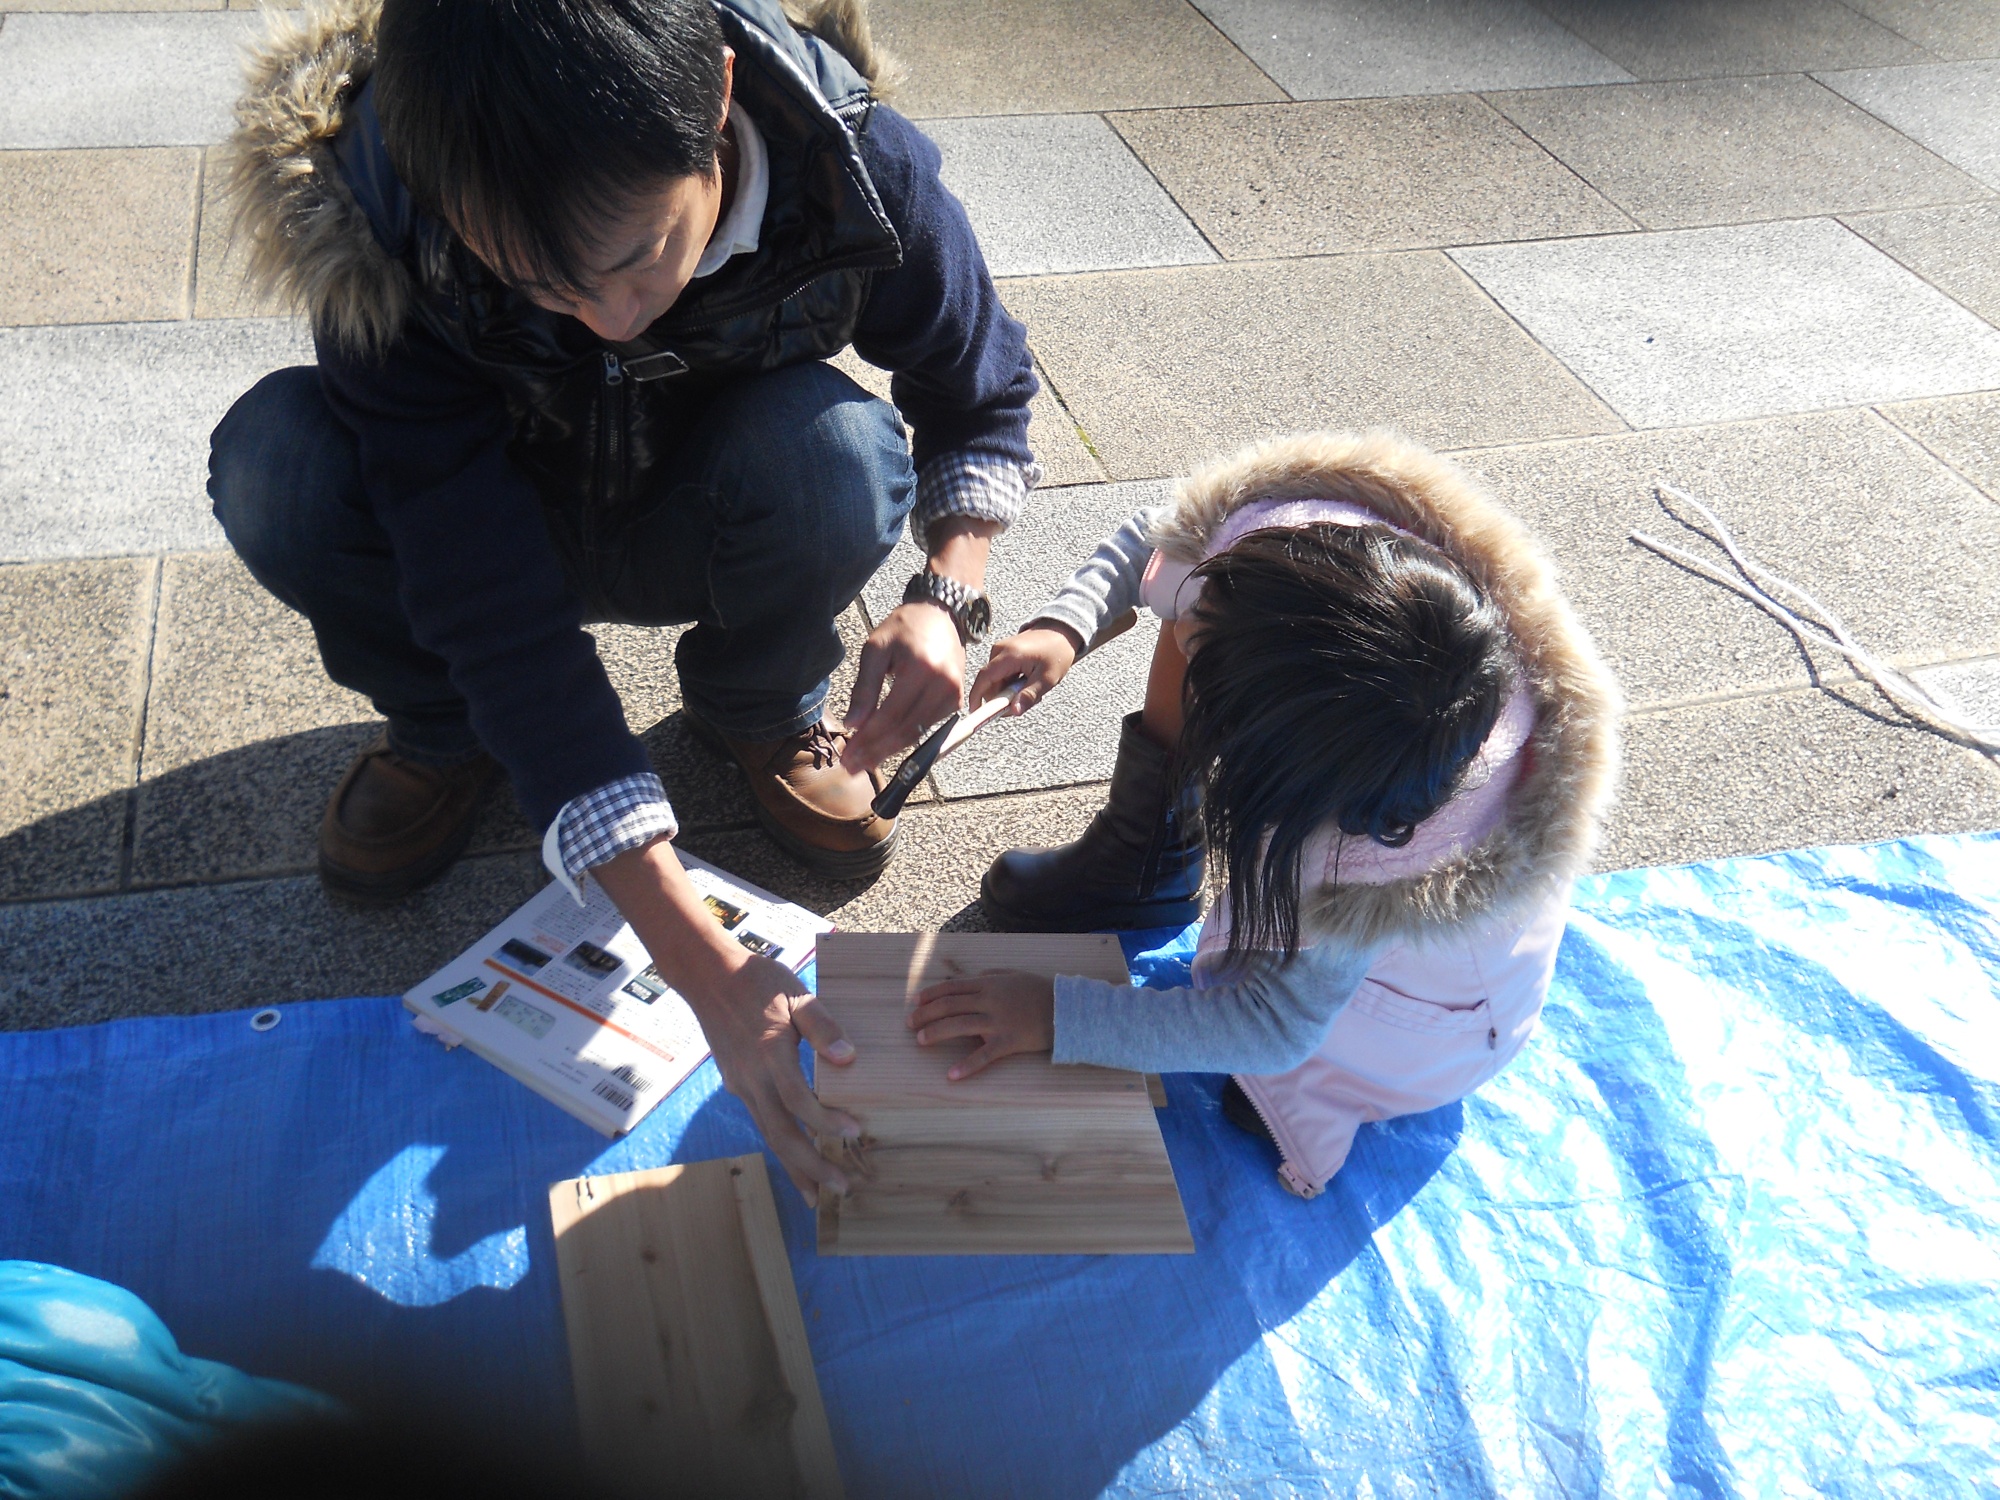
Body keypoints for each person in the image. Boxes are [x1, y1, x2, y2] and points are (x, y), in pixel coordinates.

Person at [207, 0, 1039, 1199]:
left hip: (702, 509)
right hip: (504, 517)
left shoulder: (854, 165)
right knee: (277, 464)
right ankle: (447, 733)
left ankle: (755, 706)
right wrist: (694, 958)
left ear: (715, 105)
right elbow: (477, 579)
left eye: (642, 251)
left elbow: (982, 388)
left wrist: (947, 593)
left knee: (839, 455)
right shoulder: (387, 227)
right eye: (531, 279)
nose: (604, 314)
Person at [906, 431, 1621, 1196]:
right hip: (1358, 881)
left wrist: (1059, 1017)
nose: (1180, 640)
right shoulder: (1305, 553)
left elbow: (1273, 1026)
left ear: (1303, 791)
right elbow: (1163, 544)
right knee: (1191, 612)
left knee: (1257, 1079)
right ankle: (1139, 866)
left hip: (1429, 1025)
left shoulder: (1372, 865)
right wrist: (1066, 626)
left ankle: (1330, 1096)